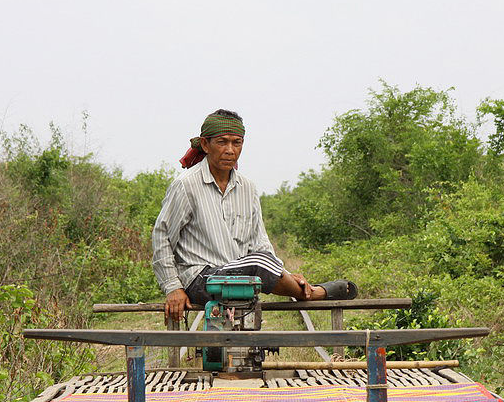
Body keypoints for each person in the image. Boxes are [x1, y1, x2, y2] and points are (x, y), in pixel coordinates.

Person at [152, 109, 356, 321]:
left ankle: (295, 286)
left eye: (236, 143)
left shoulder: (247, 188)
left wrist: (281, 273)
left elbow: (260, 242)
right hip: (201, 279)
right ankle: (314, 293)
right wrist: (173, 287)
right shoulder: (186, 185)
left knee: (261, 261)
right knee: (259, 263)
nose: (230, 150)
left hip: (239, 279)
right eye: (222, 142)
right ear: (205, 145)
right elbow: (162, 237)